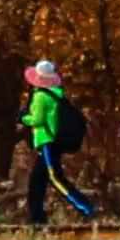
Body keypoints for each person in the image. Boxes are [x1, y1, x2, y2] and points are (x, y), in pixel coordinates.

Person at [18, 57, 99, 224]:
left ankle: (86, 208)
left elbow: (38, 120)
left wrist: (24, 118)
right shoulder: (56, 95)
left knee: (55, 178)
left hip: (47, 142)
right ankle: (37, 219)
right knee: (36, 181)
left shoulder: (40, 96)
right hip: (51, 142)